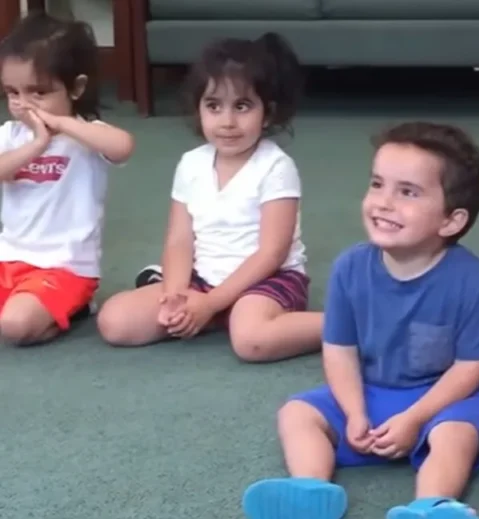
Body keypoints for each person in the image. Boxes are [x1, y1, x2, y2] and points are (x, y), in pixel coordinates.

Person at [242, 122, 479, 519]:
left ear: (451, 219)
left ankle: (431, 506)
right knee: (297, 413)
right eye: (378, 184)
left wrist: (417, 417)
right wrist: (354, 411)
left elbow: (470, 368)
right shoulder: (350, 268)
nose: (383, 202)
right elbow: (339, 351)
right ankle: (311, 487)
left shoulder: (472, 280)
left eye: (408, 192)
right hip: (372, 391)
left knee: (458, 434)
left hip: (442, 398)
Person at [96, 34, 321, 363]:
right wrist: (174, 293)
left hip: (267, 280)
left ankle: (347, 327)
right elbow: (179, 240)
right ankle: (212, 315)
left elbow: (273, 253)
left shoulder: (276, 166)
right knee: (114, 320)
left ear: (268, 113)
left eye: (242, 107)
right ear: (199, 109)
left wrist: (212, 303)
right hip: (202, 279)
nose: (227, 122)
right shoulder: (191, 163)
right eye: (214, 106)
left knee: (250, 340)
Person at [0, 13, 134, 345]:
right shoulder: (11, 135)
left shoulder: (87, 137)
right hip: (8, 257)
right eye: (12, 93)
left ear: (76, 88)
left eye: (38, 92)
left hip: (65, 267)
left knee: (15, 326)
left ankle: (74, 308)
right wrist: (36, 144)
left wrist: (63, 125)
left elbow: (123, 147)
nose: (22, 105)